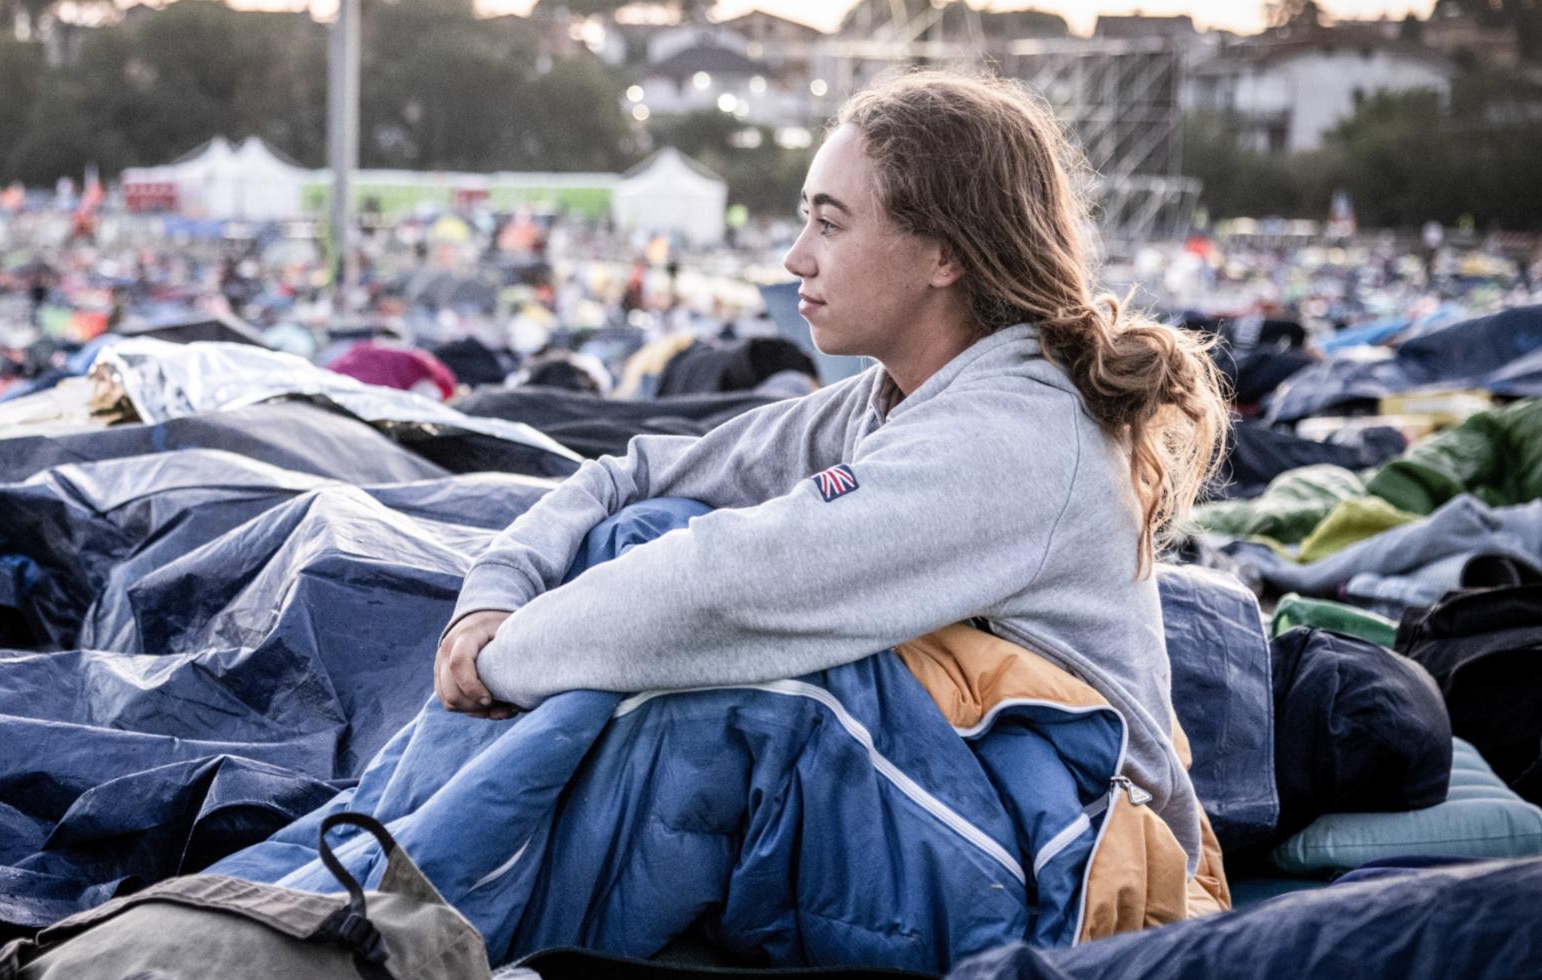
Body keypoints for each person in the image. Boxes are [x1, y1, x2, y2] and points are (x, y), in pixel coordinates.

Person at [433, 70, 1230, 864]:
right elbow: (635, 476)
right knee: (643, 534)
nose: (794, 258)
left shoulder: (1013, 441)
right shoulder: (892, 398)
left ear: (944, 254)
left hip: (1086, 863)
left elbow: (724, 591)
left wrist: (504, 663)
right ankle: (393, 876)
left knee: (737, 700)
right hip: (989, 816)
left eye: (829, 224)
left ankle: (402, 895)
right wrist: (493, 598)